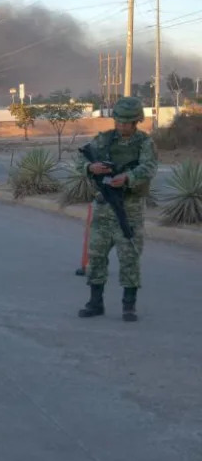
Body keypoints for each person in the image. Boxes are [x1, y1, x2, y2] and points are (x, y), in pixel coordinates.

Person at [77, 96, 157, 322]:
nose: (122, 126)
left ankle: (129, 305)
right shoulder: (103, 140)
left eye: (127, 122)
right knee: (96, 256)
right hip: (103, 207)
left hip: (129, 208)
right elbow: (79, 159)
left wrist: (128, 178)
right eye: (119, 121)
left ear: (136, 122)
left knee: (129, 256)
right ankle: (95, 303)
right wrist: (91, 167)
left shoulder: (144, 143)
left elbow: (149, 167)